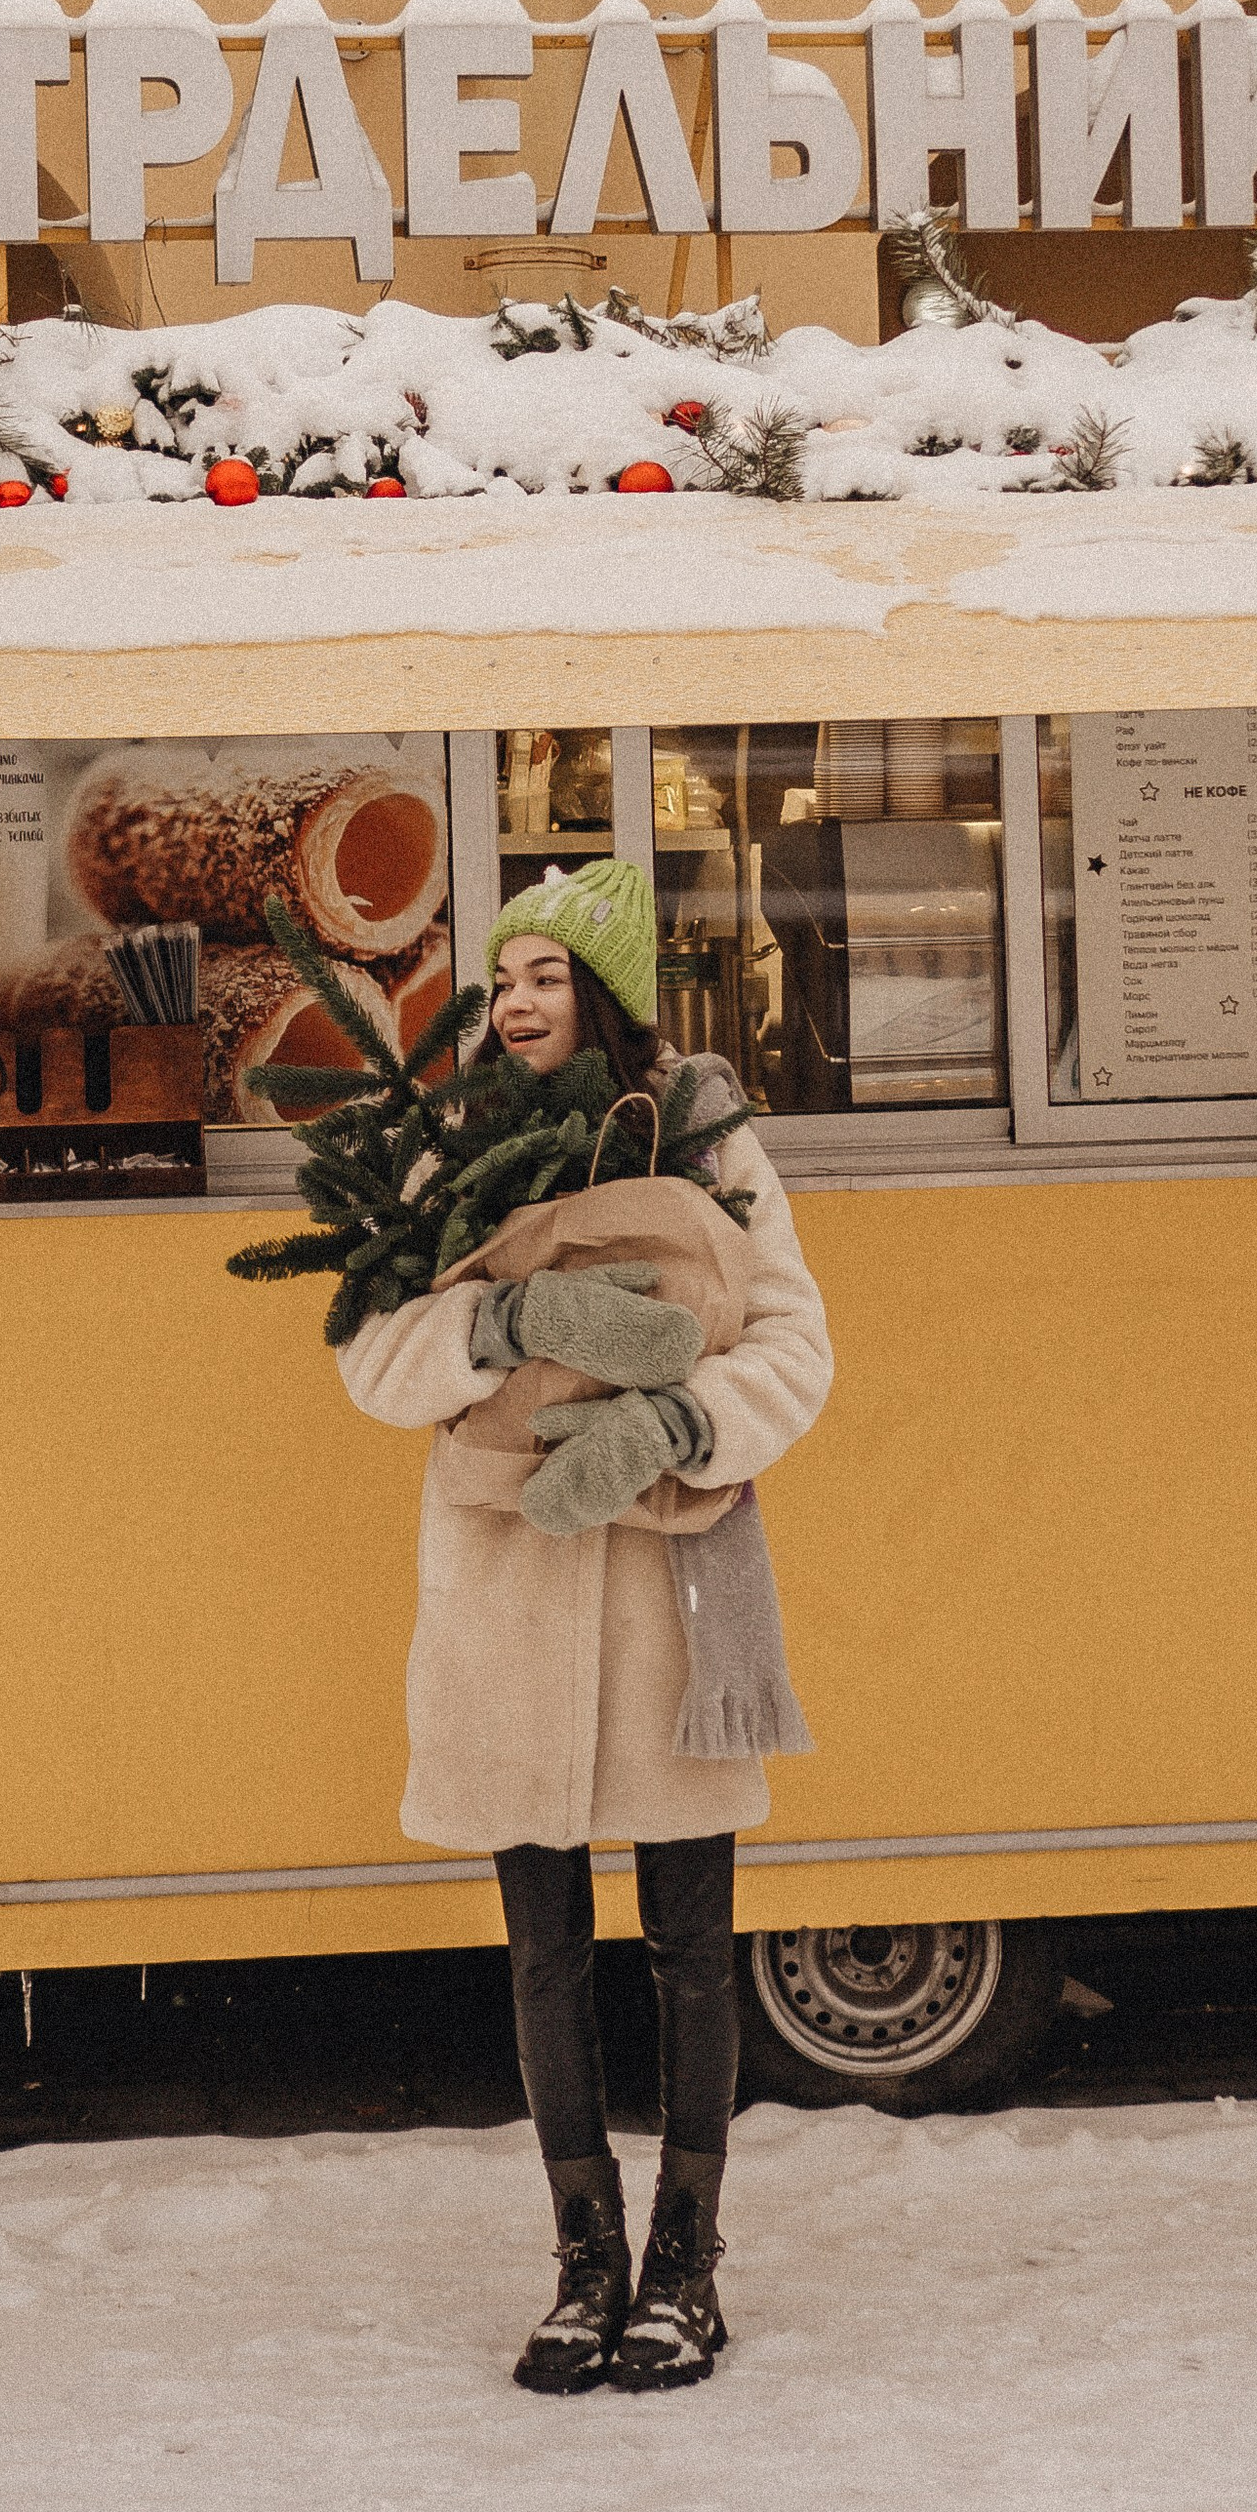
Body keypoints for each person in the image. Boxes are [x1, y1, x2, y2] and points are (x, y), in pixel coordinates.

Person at [334, 858, 832, 2396]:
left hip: (673, 1593)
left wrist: (678, 1420)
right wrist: (505, 1318)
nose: (517, 1002)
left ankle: (685, 2266)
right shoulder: (454, 1146)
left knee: (692, 1948)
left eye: (548, 975)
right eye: (504, 978)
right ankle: (583, 2262)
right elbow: (371, 1354)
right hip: (508, 1588)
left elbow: (796, 1343)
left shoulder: (709, 1136)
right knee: (545, 1949)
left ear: (608, 992)